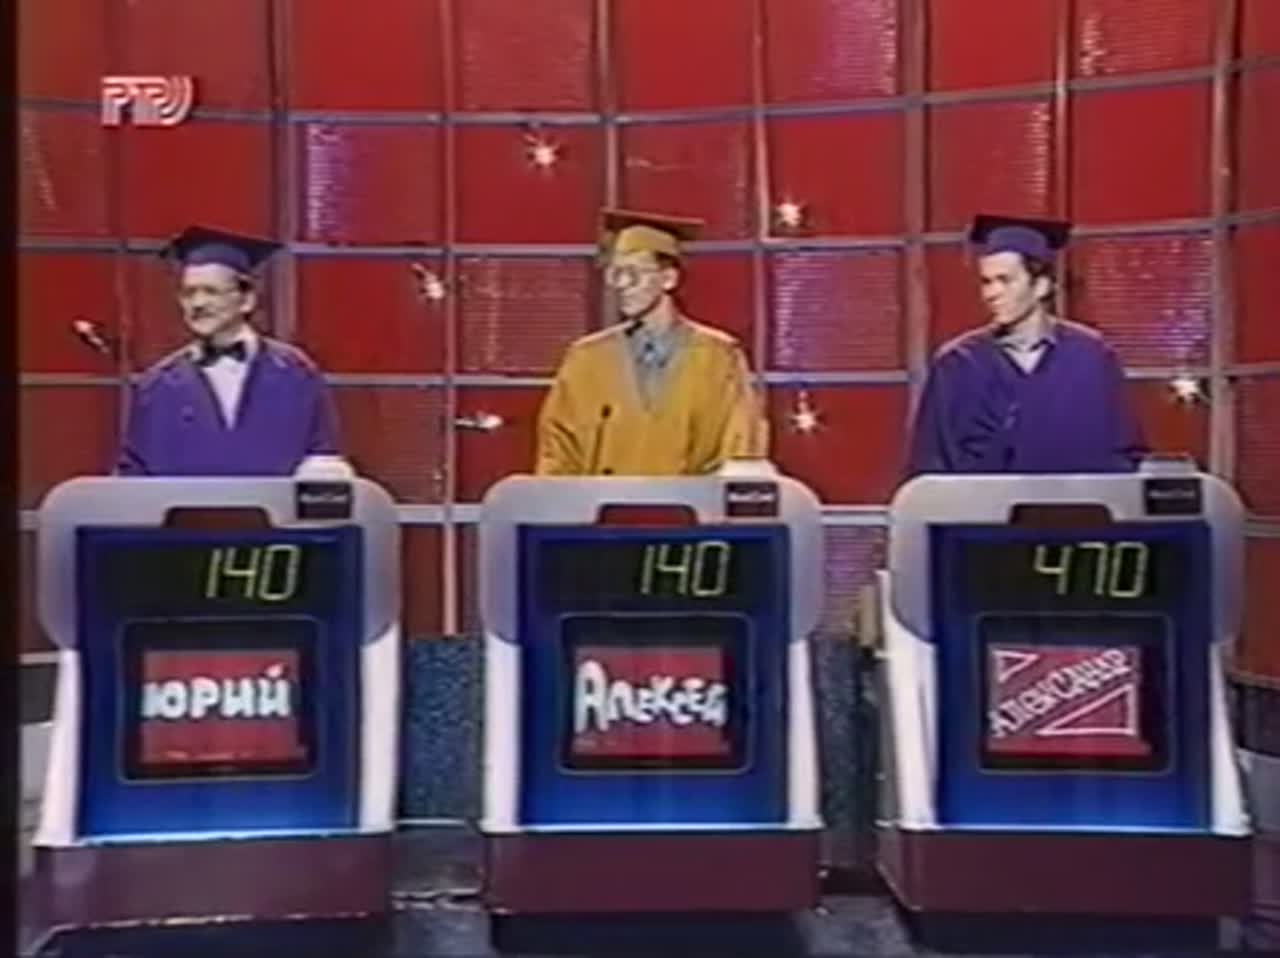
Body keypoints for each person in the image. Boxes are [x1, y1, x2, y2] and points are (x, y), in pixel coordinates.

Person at [905, 214, 1146, 477]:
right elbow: (931, 464)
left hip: (1071, 502)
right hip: (985, 503)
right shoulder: (957, 363)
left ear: (1041, 286)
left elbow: (1121, 455)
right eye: (986, 282)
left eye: (1005, 280)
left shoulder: (1091, 357)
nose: (991, 294)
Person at [535, 209, 767, 476]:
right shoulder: (587, 357)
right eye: (616, 274)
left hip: (691, 501)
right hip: (603, 501)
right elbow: (557, 452)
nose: (622, 285)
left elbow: (740, 449)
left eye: (634, 273)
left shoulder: (718, 355)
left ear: (668, 279)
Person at [116, 226, 341, 476]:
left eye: (211, 291)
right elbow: (134, 474)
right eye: (189, 293)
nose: (198, 304)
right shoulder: (157, 386)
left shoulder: (296, 373)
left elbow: (323, 461)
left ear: (247, 300)